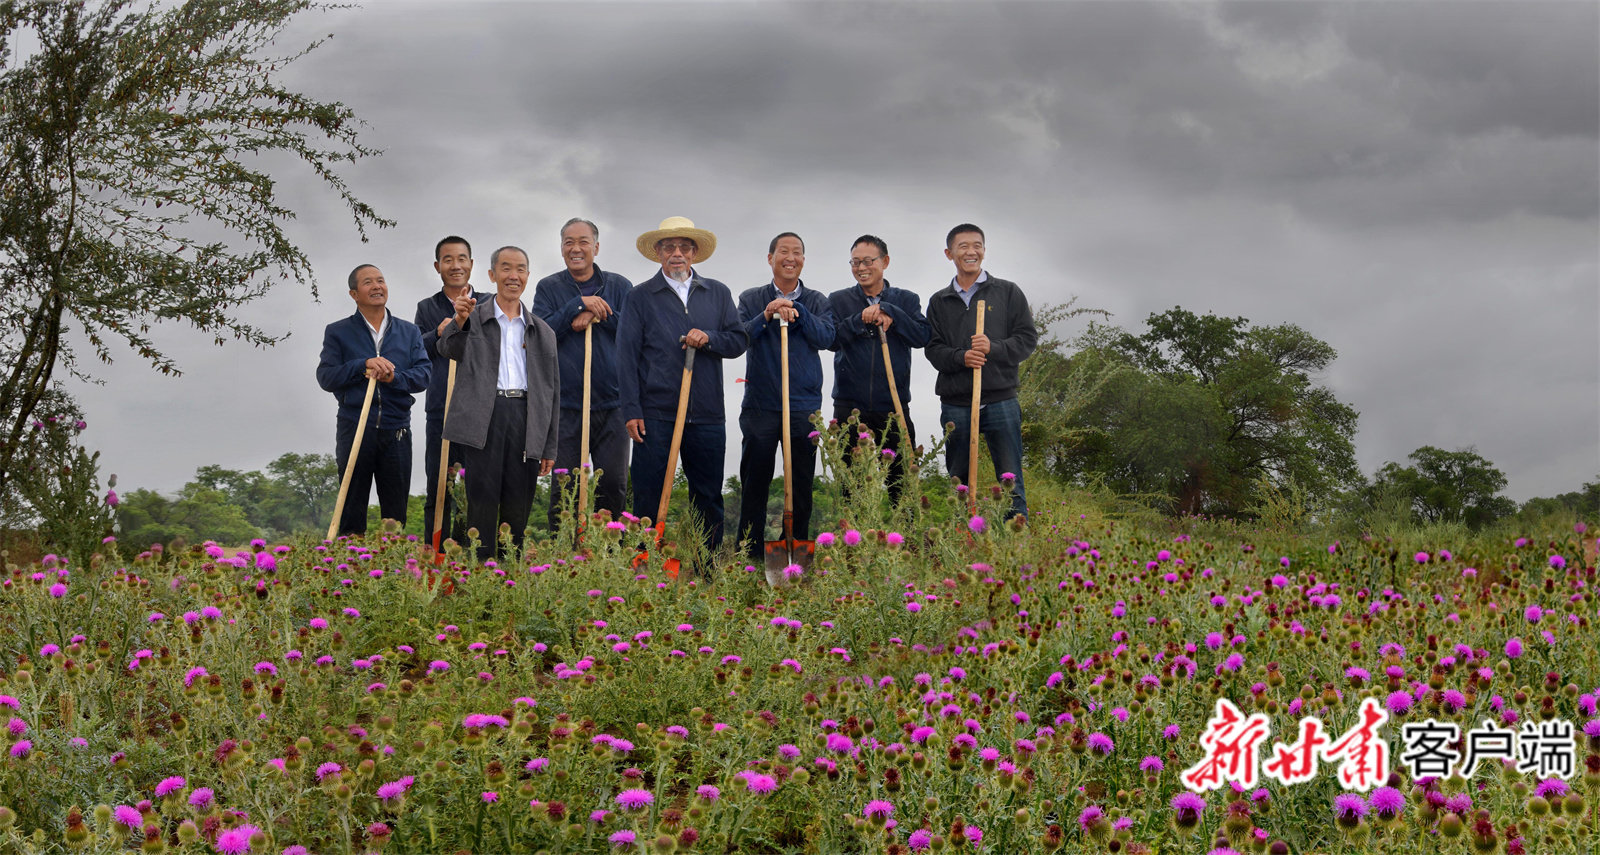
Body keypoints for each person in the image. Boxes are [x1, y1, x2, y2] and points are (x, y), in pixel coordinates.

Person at [618, 217, 748, 565]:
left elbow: (737, 340)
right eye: (669, 247)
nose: (676, 253)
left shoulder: (717, 292)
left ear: (694, 253)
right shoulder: (640, 296)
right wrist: (631, 409)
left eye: (684, 247)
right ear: (658, 253)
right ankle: (644, 568)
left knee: (707, 496)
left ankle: (707, 570)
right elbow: (625, 355)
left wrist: (710, 338)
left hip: (706, 413)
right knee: (648, 493)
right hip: (655, 413)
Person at [437, 246, 560, 561]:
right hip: (484, 417)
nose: (513, 276)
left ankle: (511, 576)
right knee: (482, 499)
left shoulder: (543, 332)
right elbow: (448, 348)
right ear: (492, 275)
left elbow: (551, 392)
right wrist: (460, 320)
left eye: (520, 269)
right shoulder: (473, 317)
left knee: (518, 503)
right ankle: (480, 572)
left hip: (525, 416)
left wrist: (548, 446)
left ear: (528, 277)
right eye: (505, 268)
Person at [924, 223, 1037, 520]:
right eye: (963, 246)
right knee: (959, 479)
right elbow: (933, 350)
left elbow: (1027, 341)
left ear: (984, 251)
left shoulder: (1008, 292)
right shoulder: (939, 301)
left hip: (1001, 400)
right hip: (956, 403)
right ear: (950, 254)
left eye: (977, 245)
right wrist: (963, 358)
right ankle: (962, 537)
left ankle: (1015, 539)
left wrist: (993, 348)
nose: (970, 251)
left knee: (1010, 476)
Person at [734, 232, 834, 563]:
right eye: (783, 252)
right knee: (754, 484)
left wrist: (798, 311)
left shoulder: (817, 300)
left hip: (803, 406)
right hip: (761, 405)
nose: (790, 258)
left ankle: (794, 556)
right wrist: (767, 314)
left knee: (801, 485)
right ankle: (749, 556)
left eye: (797, 253)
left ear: (803, 260)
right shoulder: (751, 298)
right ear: (770, 258)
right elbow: (740, 336)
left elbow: (827, 337)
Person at [533, 218, 633, 530]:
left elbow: (632, 333)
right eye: (568, 242)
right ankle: (561, 554)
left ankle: (610, 553)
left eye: (583, 242)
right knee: (564, 487)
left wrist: (598, 312)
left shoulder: (619, 286)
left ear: (596, 247)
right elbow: (541, 333)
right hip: (566, 406)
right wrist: (577, 305)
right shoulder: (549, 288)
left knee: (614, 483)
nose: (576, 248)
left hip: (613, 404)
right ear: (561, 248)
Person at [316, 264, 430, 536]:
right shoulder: (338, 332)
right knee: (351, 505)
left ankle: (392, 570)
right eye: (368, 282)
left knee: (395, 510)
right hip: (354, 426)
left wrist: (394, 378)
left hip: (397, 429)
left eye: (381, 280)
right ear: (354, 293)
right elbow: (326, 376)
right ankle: (347, 567)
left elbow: (423, 375)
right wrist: (361, 365)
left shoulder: (409, 331)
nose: (377, 286)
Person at [827, 234, 931, 505]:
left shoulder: (907, 299)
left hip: (893, 405)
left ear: (884, 262)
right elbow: (831, 340)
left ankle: (908, 541)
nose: (861, 268)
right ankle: (854, 543)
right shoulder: (839, 300)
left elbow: (921, 336)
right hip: (850, 406)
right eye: (855, 262)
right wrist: (860, 319)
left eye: (868, 261)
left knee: (902, 481)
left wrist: (890, 312)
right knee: (852, 484)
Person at [414, 236, 488, 547]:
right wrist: (440, 332)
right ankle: (437, 554)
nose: (455, 266)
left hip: (482, 410)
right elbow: (417, 351)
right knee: (440, 486)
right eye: (448, 260)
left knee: (480, 488)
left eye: (461, 259)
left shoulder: (489, 303)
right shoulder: (427, 307)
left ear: (471, 264)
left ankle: (479, 555)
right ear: (437, 266)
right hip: (442, 409)